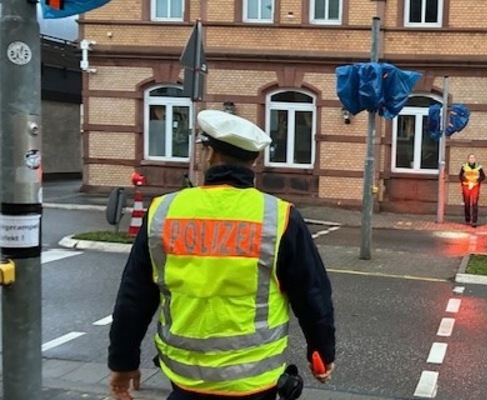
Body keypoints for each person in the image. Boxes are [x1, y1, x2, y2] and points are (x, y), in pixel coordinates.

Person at [107, 110, 336, 400]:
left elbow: (134, 296)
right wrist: (321, 352)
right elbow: (312, 294)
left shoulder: (163, 212)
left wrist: (122, 363)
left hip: (186, 381)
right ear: (253, 160)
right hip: (254, 384)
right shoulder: (278, 217)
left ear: (210, 154)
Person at [459, 154, 486, 228]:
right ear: (468, 159)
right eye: (470, 158)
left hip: (475, 187)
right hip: (466, 186)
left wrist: (477, 180)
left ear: (475, 159)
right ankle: (467, 219)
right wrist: (466, 180)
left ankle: (474, 221)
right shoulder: (464, 166)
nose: (472, 159)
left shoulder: (479, 167)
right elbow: (460, 176)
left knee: (474, 204)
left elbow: (483, 176)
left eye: (473, 157)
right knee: (467, 203)